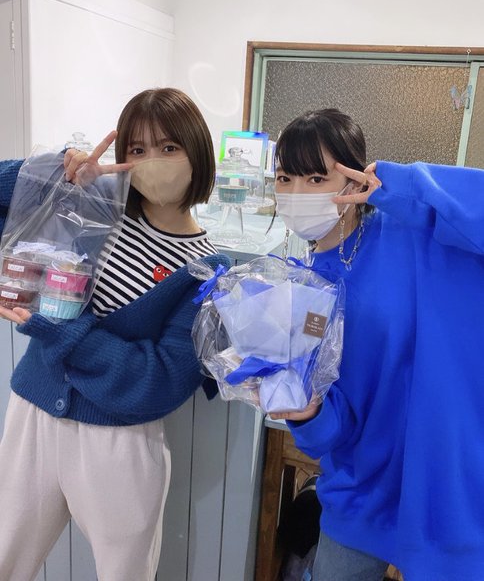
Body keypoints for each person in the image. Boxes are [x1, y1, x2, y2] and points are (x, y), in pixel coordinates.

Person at [0, 87, 230, 581]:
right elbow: (10, 214)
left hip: (119, 440)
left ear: (197, 152)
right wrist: (53, 172)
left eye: (169, 147)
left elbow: (160, 380)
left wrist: (62, 329)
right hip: (32, 415)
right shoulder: (93, 208)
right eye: (137, 149)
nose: (153, 161)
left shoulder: (208, 270)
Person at [269, 107, 484, 581]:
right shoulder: (297, 289)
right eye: (285, 178)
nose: (297, 194)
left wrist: (399, 187)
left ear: (352, 178)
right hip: (359, 497)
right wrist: (306, 414)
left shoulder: (415, 234)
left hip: (448, 489)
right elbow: (330, 434)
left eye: (315, 177)